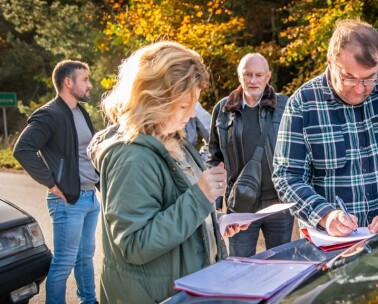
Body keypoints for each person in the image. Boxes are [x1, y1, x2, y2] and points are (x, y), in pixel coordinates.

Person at [86, 41, 248, 303]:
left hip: (186, 291)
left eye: (194, 103)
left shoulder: (174, 139)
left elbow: (172, 209)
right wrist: (200, 197)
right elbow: (134, 244)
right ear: (153, 99)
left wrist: (213, 222)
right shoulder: (131, 158)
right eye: (184, 105)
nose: (192, 113)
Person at [272, 19, 378, 237]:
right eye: (349, 78)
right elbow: (287, 175)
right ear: (331, 62)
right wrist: (325, 215)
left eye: (370, 78)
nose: (360, 89)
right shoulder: (303, 103)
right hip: (333, 245)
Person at [13, 60, 100, 304]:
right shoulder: (49, 114)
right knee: (64, 262)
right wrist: (52, 183)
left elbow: (86, 153)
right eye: (85, 79)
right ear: (68, 82)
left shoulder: (80, 111)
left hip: (90, 198)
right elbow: (23, 149)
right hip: (68, 201)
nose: (89, 85)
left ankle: (89, 301)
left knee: (85, 256)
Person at [207, 53, 294, 257]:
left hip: (278, 204)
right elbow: (214, 156)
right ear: (240, 77)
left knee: (279, 266)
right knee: (240, 267)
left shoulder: (284, 106)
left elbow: (298, 150)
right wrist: (216, 206)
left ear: (268, 76)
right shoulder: (223, 108)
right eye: (248, 74)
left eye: (258, 75)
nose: (253, 80)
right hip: (241, 205)